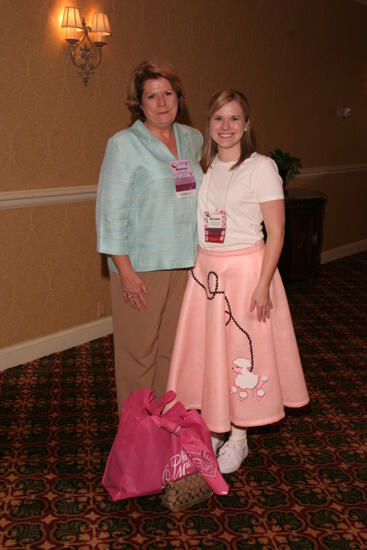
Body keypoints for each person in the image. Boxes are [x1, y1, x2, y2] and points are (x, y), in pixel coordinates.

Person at [167, 89, 309, 474]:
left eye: (234, 119)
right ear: (208, 125)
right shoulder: (206, 167)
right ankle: (215, 425)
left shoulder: (261, 167)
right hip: (208, 273)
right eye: (218, 118)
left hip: (247, 273)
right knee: (213, 352)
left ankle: (240, 437)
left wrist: (263, 283)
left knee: (245, 354)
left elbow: (277, 232)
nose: (225, 127)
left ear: (247, 125)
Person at [96, 60, 203, 414]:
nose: (161, 102)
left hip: (186, 264)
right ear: (139, 103)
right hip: (141, 269)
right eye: (151, 95)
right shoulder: (124, 144)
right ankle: (136, 437)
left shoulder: (193, 138)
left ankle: (163, 431)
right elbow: (110, 213)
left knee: (172, 353)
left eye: (167, 93)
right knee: (137, 358)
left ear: (179, 97)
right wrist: (124, 271)